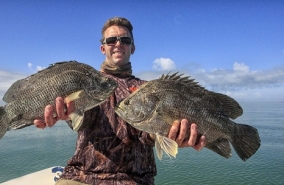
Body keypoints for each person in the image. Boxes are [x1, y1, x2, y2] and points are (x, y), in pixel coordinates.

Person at [34, 17, 206, 185]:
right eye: (111, 40)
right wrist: (65, 114)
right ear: (103, 48)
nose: (118, 44)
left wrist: (171, 134)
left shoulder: (147, 89)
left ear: (133, 48)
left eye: (124, 39)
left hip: (134, 179)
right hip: (81, 176)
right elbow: (80, 121)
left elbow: (146, 134)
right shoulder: (87, 83)